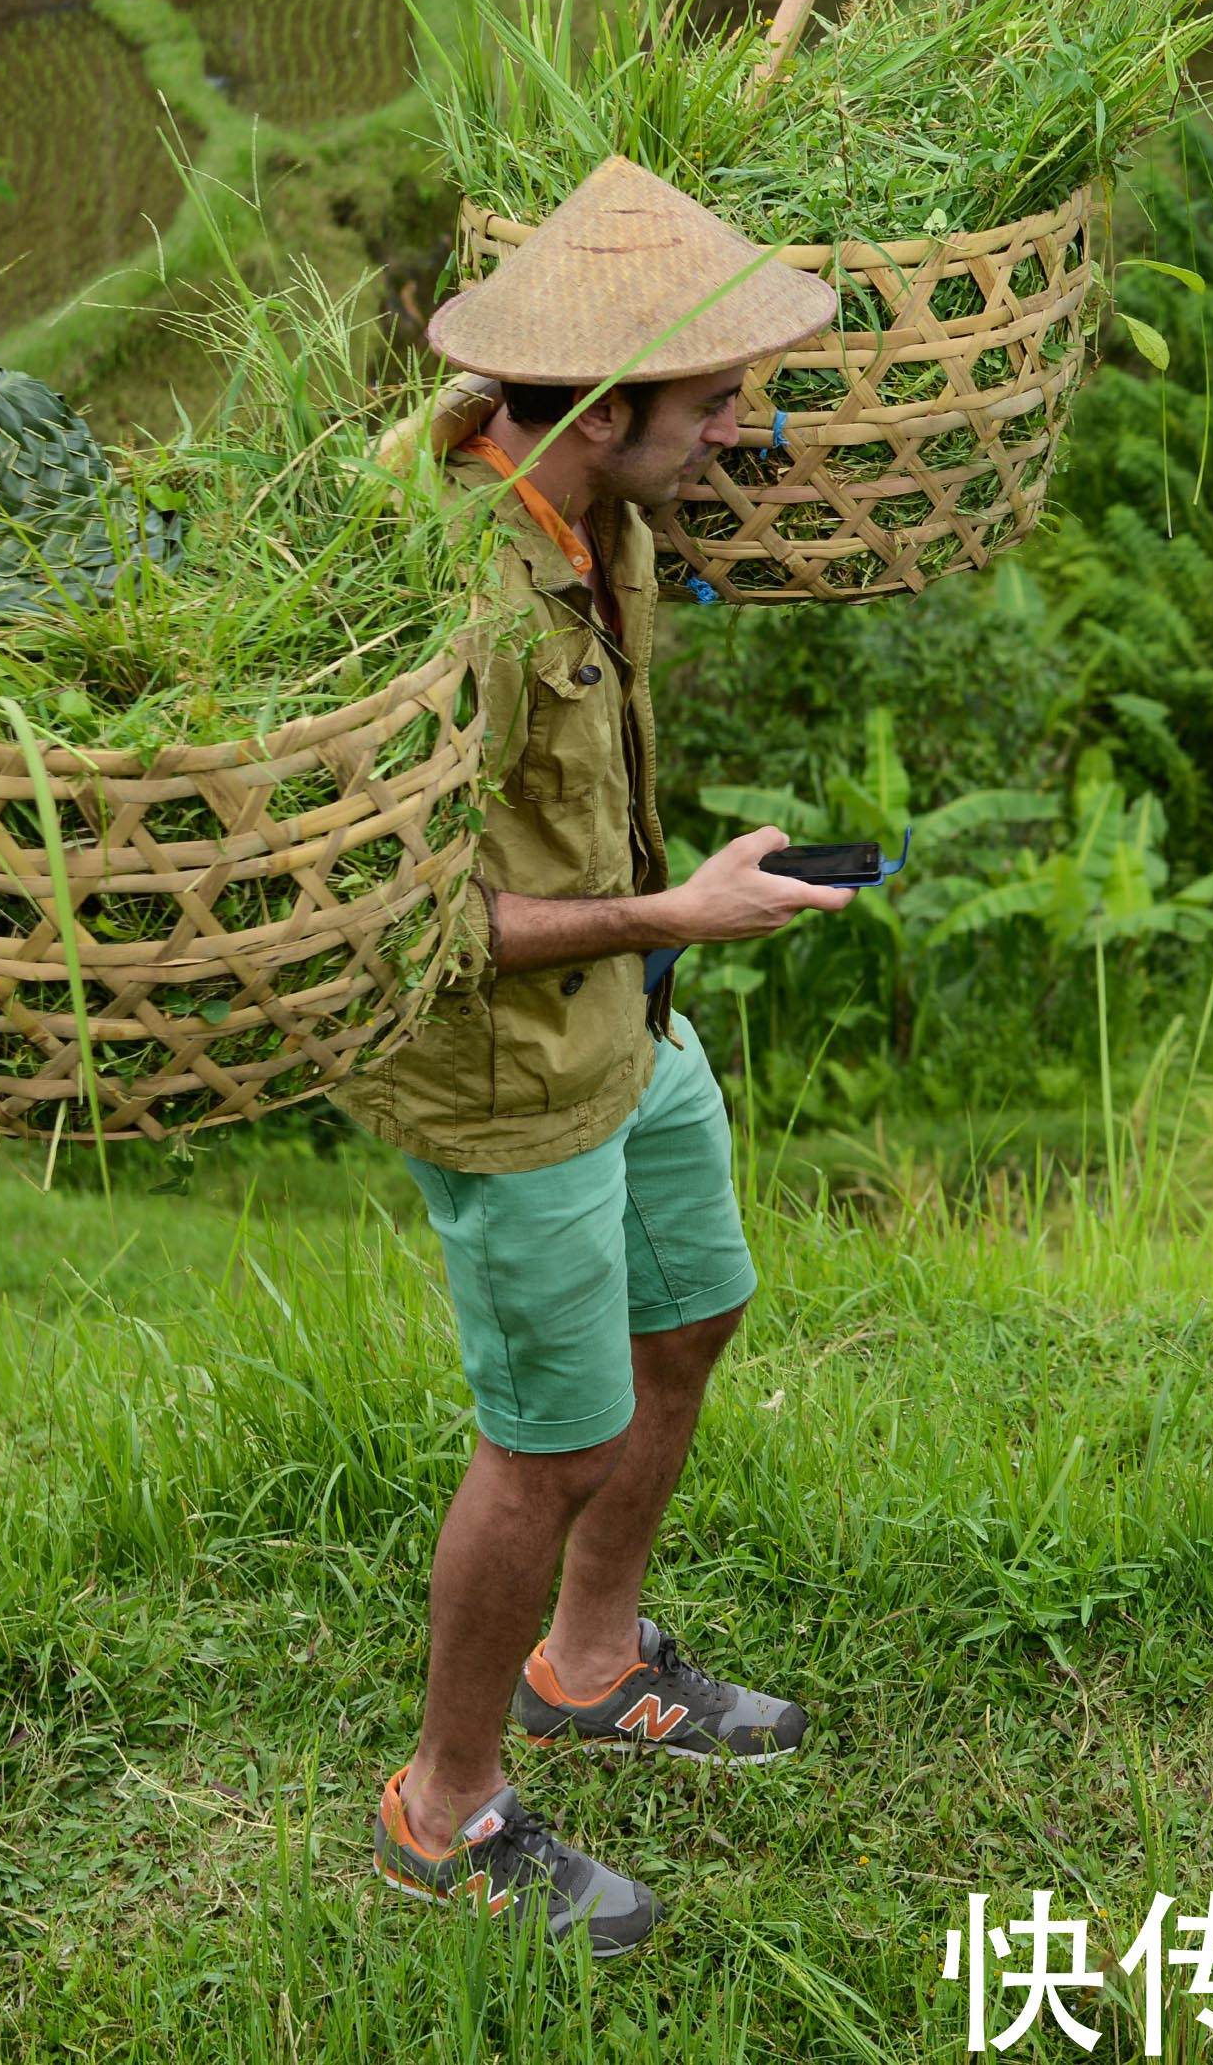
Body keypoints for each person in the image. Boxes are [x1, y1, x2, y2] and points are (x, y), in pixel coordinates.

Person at [341, 156, 851, 1956]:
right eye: (714, 403)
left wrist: (664, 937)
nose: (737, 432)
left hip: (631, 1023)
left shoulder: (594, 512)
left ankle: (594, 1659)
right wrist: (674, 915)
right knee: (546, 1438)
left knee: (692, 1316)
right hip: (509, 1072)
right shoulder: (455, 604)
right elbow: (414, 924)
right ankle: (444, 1803)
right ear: (607, 404)